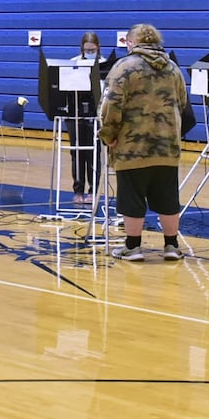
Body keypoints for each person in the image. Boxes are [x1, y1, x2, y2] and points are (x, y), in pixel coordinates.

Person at [99, 23, 189, 262]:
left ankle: (133, 246)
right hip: (167, 145)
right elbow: (182, 103)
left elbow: (111, 106)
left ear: (131, 42)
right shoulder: (173, 68)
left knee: (132, 196)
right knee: (168, 196)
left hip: (132, 146)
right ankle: (171, 245)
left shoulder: (124, 67)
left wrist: (108, 135)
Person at [67, 31, 103, 201]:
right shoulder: (73, 63)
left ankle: (94, 190)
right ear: (81, 48)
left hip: (96, 115)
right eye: (87, 49)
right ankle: (78, 190)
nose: (89, 52)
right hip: (75, 114)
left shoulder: (103, 64)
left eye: (93, 49)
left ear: (98, 48)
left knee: (94, 154)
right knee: (77, 153)